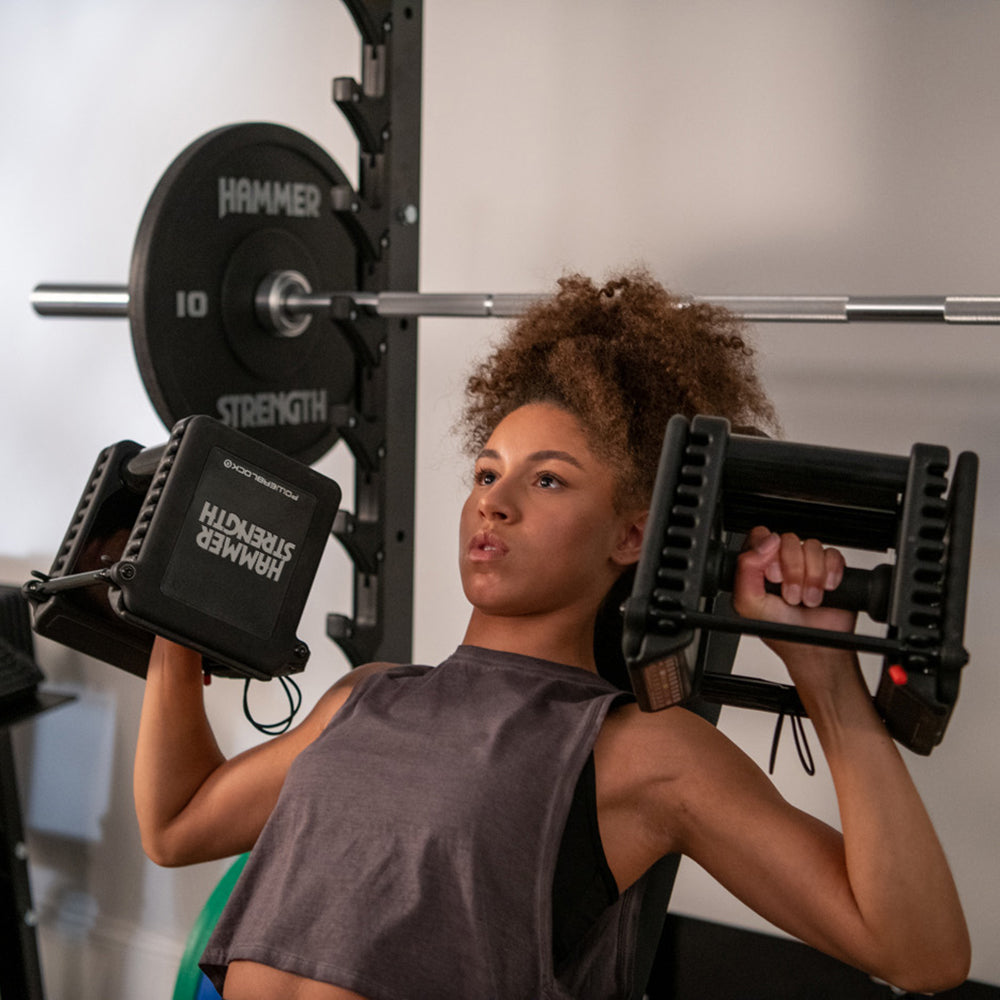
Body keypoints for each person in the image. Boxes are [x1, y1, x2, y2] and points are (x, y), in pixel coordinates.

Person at [133, 270, 970, 999]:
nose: (495, 501)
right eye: (487, 472)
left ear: (631, 536)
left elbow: (921, 953)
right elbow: (177, 823)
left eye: (548, 480)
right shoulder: (367, 696)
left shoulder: (640, 752)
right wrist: (175, 601)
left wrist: (825, 678)